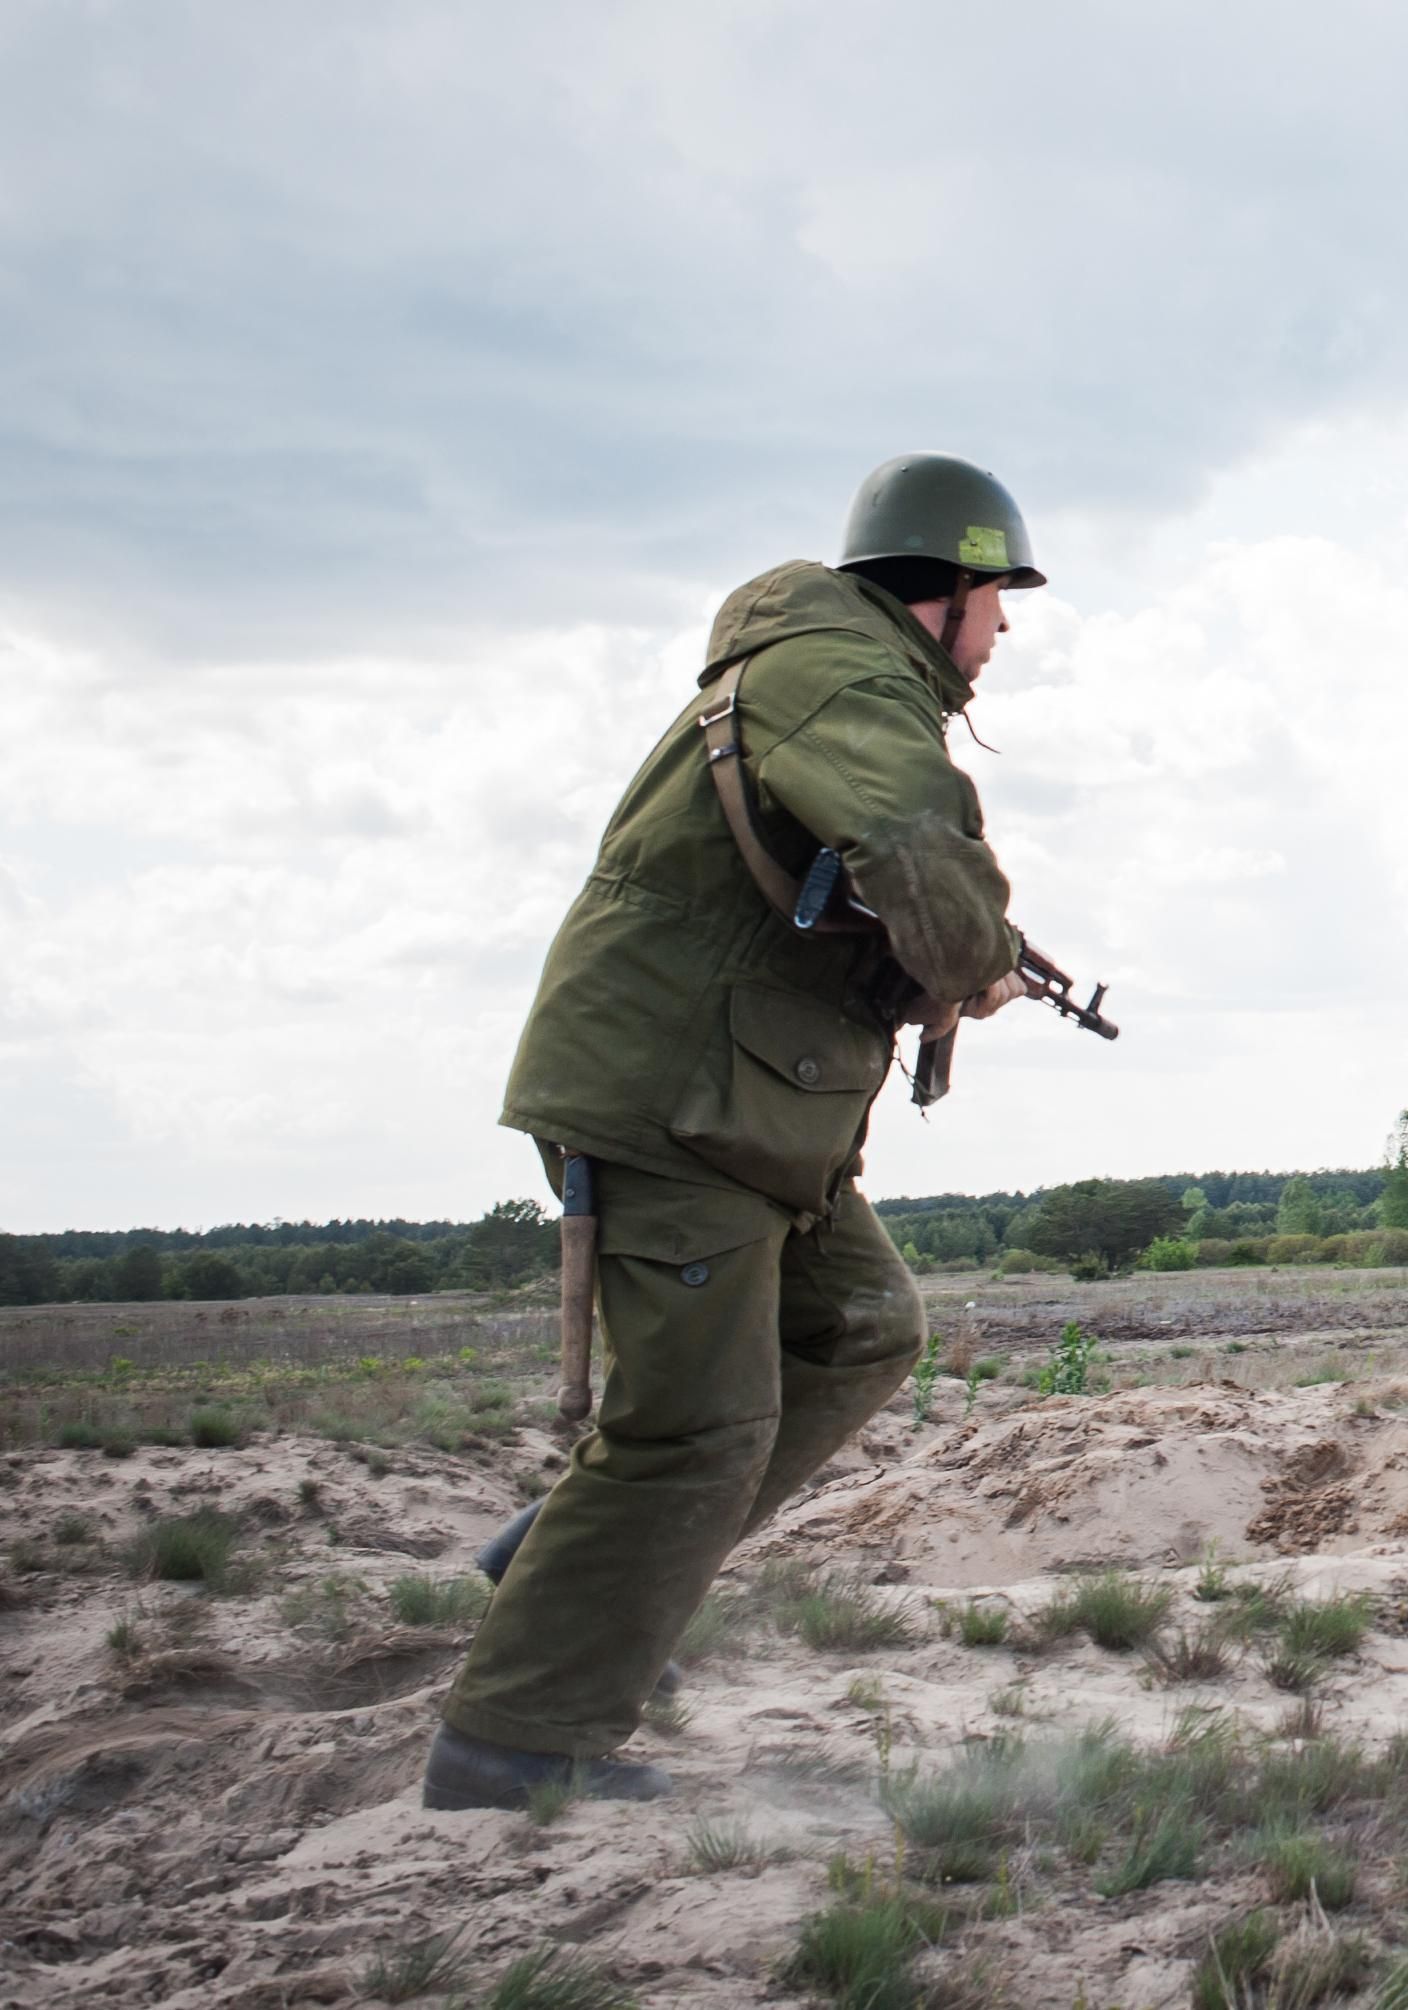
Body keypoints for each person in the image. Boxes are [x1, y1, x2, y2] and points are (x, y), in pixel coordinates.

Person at [423, 454, 1045, 1811]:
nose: (1002, 633)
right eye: (997, 600)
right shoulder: (840, 674)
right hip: (677, 1106)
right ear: (938, 592)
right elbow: (909, 842)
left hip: (749, 1114)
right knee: (695, 1426)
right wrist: (975, 960)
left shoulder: (833, 673)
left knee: (864, 1327)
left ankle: (576, 1562)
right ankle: (514, 1747)